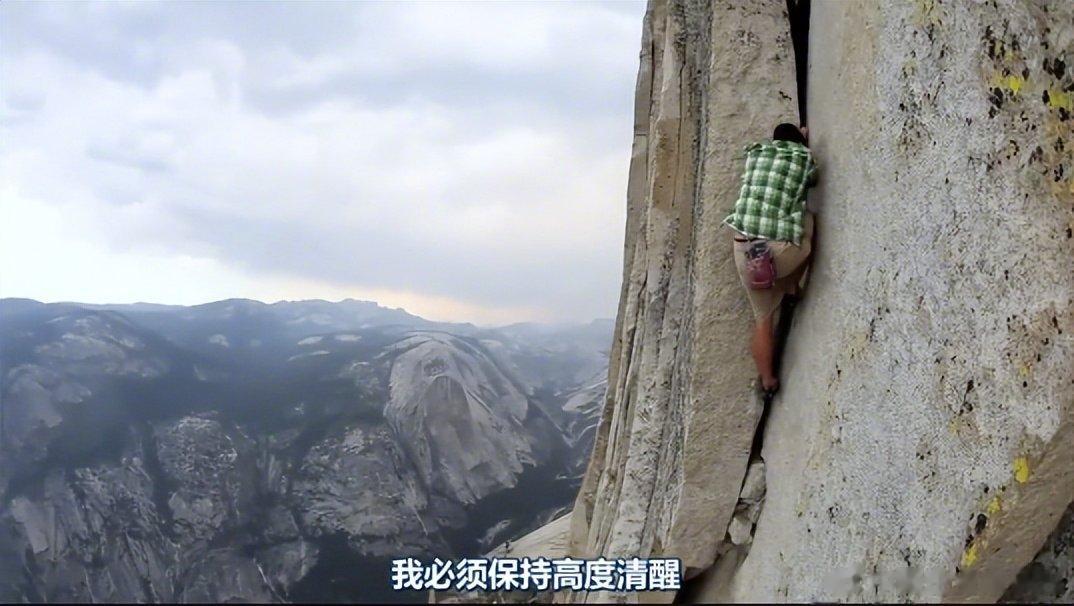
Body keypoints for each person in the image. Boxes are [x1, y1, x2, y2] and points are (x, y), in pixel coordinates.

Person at [724, 123, 817, 399]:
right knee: (808, 223)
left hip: (747, 249)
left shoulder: (756, 154)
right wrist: (802, 144)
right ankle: (792, 286)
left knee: (763, 320)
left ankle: (767, 380)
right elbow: (812, 178)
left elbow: (776, 149)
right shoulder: (803, 159)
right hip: (777, 251)